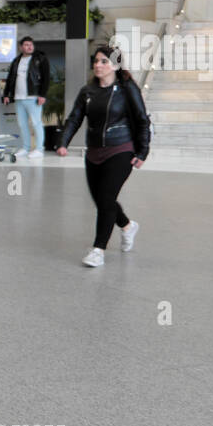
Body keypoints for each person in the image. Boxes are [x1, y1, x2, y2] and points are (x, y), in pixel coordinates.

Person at [57, 44, 151, 267]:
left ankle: (98, 249)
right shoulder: (87, 92)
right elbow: (74, 119)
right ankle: (127, 226)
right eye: (96, 61)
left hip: (121, 149)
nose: (98, 65)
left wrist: (142, 151)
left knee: (106, 198)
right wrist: (63, 142)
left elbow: (141, 120)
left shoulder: (127, 89)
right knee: (102, 200)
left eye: (103, 61)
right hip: (94, 153)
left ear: (115, 65)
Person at [1, 36, 51, 158]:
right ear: (21, 47)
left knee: (36, 123)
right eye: (26, 45)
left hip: (33, 97)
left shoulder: (40, 59)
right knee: (22, 124)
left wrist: (42, 95)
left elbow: (46, 78)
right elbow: (10, 79)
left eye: (31, 45)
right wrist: (6, 94)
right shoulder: (16, 60)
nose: (30, 47)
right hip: (19, 98)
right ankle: (25, 148)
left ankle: (39, 149)